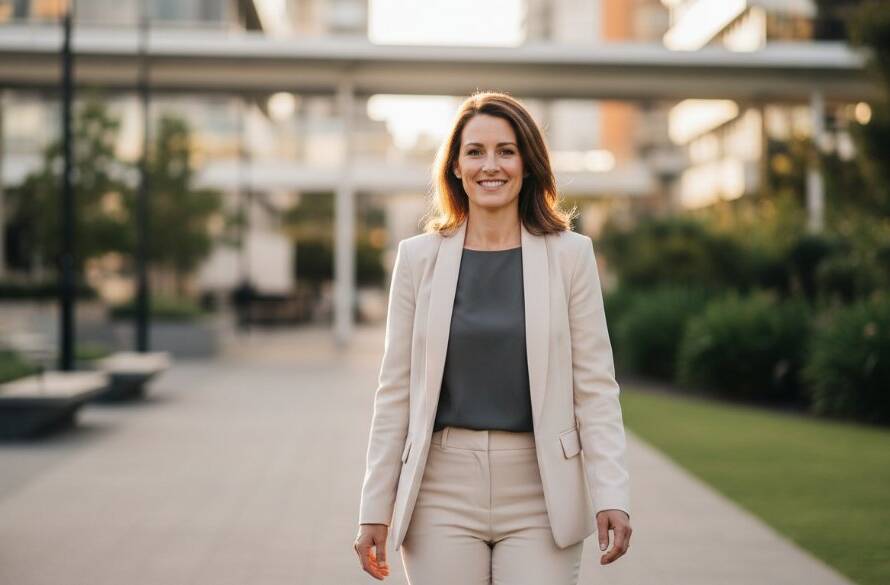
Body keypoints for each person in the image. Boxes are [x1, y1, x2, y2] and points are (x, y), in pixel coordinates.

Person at [353, 91, 632, 584]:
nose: (491, 166)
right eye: (475, 152)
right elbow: (394, 392)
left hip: (542, 491)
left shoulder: (571, 256)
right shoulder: (419, 259)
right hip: (440, 491)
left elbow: (595, 387)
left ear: (528, 163)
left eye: (506, 150)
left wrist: (612, 495)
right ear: (456, 167)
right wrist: (374, 507)